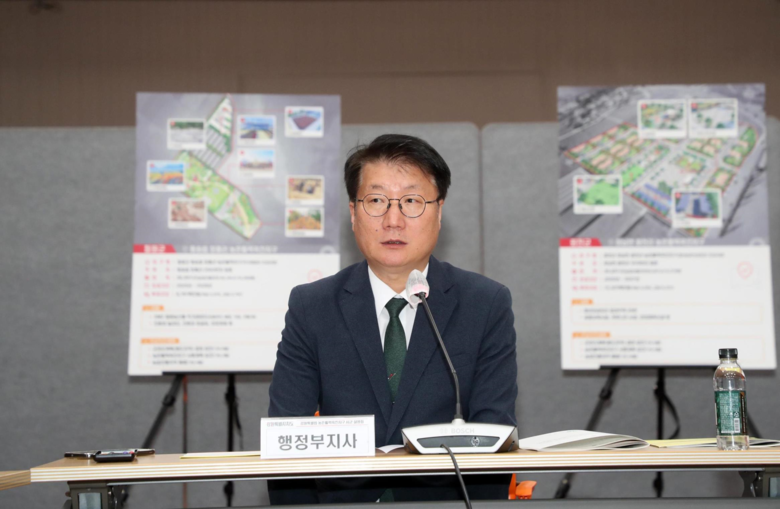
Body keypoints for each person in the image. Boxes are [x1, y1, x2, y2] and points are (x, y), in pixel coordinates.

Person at [268, 134, 517, 504]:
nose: (393, 220)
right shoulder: (312, 307)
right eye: (376, 201)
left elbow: (493, 437)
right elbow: (286, 439)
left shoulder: (484, 304)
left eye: (412, 201)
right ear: (353, 212)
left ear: (439, 211)